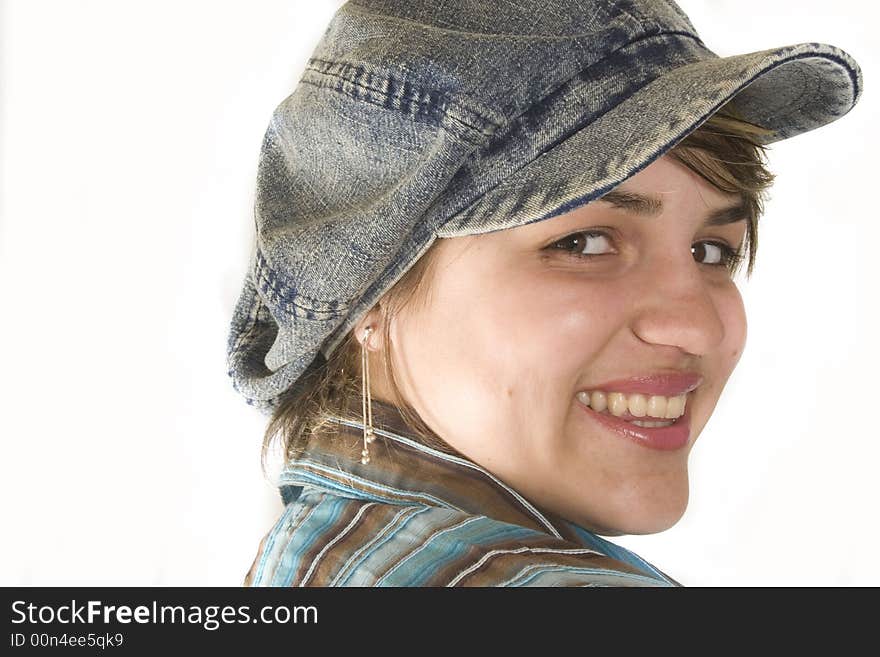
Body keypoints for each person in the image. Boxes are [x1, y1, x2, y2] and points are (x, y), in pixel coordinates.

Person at [227, 0, 862, 586]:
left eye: (711, 251)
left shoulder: (319, 555)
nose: (696, 326)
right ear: (368, 292)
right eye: (584, 244)